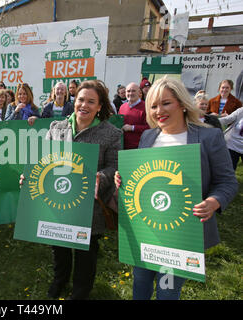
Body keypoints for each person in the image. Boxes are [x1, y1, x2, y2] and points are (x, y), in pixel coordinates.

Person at [114, 76, 238, 300]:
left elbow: (227, 182)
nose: (158, 111)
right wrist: (123, 179)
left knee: (167, 290)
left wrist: (213, 202)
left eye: (166, 103)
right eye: (153, 106)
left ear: (182, 103)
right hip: (147, 228)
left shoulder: (209, 137)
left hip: (180, 234)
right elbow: (142, 178)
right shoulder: (148, 136)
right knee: (140, 284)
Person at [22, 80, 121, 299]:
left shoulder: (111, 133)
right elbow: (44, 161)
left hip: (90, 205)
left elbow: (114, 165)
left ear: (99, 106)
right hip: (60, 200)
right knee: (59, 246)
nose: (84, 105)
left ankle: (80, 291)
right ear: (74, 101)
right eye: (81, 99)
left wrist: (101, 177)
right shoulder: (57, 128)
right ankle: (60, 280)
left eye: (91, 101)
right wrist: (30, 177)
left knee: (86, 251)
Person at [119, 82, 150, 149]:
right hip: (122, 146)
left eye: (133, 91)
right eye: (128, 91)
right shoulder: (122, 107)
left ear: (139, 93)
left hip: (138, 148)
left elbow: (150, 127)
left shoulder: (146, 107)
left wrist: (132, 128)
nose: (130, 93)